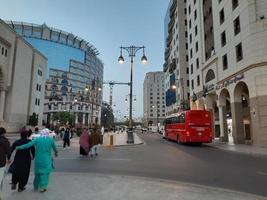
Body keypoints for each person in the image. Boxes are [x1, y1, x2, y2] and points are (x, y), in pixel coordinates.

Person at [16, 128, 58, 193]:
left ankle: (35, 186)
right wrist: (56, 153)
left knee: (37, 173)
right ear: (48, 133)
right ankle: (43, 187)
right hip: (46, 159)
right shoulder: (50, 140)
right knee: (45, 173)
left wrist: (19, 147)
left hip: (38, 159)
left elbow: (28, 145)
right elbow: (55, 148)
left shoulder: (37, 139)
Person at [0, 127, 11, 199]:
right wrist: (8, 159)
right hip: (1, 162)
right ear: (4, 133)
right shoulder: (5, 141)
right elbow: (8, 152)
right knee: (0, 179)